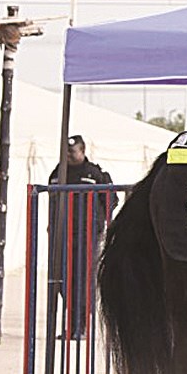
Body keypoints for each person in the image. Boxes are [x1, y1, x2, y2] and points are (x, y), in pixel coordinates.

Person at [47, 134, 116, 339]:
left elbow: (111, 200)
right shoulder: (58, 173)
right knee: (64, 280)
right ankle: (71, 325)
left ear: (83, 151)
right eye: (66, 151)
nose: (68, 155)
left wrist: (99, 223)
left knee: (82, 281)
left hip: (87, 236)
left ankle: (82, 326)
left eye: (72, 151)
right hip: (63, 236)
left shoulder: (94, 174)